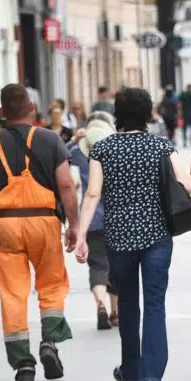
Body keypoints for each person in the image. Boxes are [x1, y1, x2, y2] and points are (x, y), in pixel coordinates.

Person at [75, 88, 191, 381]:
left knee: (127, 303)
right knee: (155, 302)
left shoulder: (102, 149)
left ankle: (131, 370)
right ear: (148, 114)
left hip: (119, 238)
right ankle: (153, 374)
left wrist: (81, 234)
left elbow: (92, 194)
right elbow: (187, 182)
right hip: (156, 236)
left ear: (117, 115)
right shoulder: (160, 146)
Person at [0, 84, 80, 381]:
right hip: (43, 222)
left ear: (1, 112)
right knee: (52, 283)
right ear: (31, 108)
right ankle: (49, 342)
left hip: (4, 224)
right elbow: (66, 185)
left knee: (13, 292)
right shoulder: (50, 139)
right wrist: (74, 224)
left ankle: (23, 364)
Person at [68, 111, 119, 330]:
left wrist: (74, 139)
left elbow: (59, 154)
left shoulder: (78, 153)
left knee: (97, 265)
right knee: (117, 265)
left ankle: (100, 304)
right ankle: (116, 313)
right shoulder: (116, 151)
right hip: (116, 217)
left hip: (90, 217)